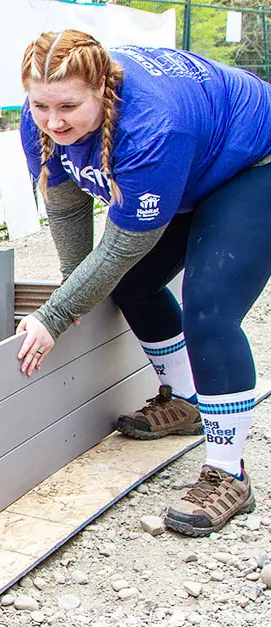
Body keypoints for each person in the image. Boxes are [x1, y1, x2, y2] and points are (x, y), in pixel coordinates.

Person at [15, 30, 271, 537]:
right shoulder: (41, 120)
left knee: (209, 312)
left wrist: (56, 314)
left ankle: (228, 473)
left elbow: (124, 244)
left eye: (68, 105)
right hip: (189, 167)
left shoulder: (153, 127)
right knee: (130, 285)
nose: (53, 120)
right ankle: (186, 401)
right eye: (41, 105)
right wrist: (74, 284)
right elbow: (66, 206)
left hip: (249, 161)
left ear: (102, 91)